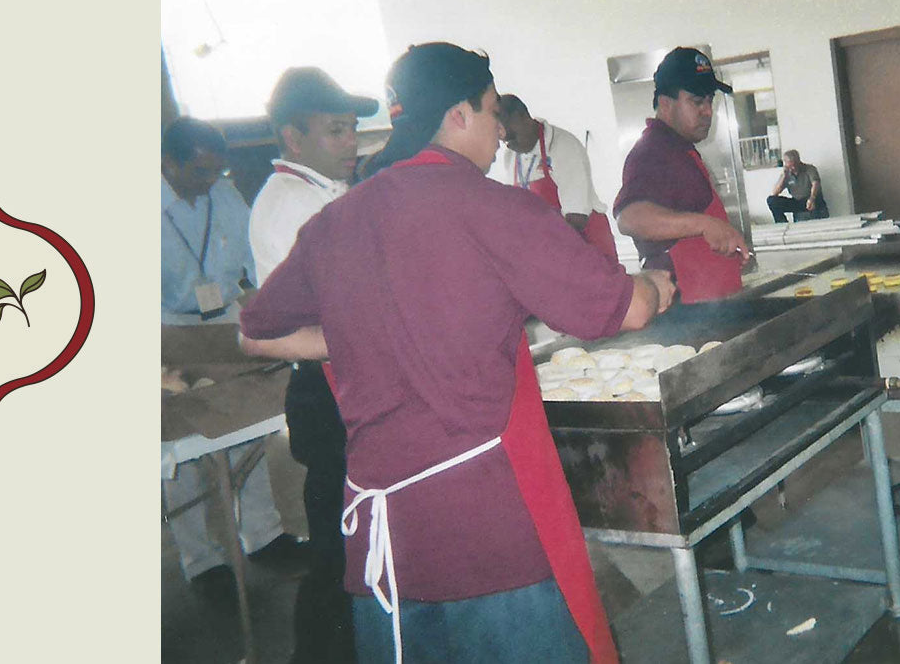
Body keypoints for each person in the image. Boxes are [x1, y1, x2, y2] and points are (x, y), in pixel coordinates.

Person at [239, 42, 677, 664]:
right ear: (457, 114)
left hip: (384, 549)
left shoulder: (336, 221)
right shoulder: (491, 206)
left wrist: (368, 336)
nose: (501, 130)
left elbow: (255, 332)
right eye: (492, 111)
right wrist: (654, 286)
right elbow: (624, 309)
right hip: (488, 537)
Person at [252, 66, 378, 662]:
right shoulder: (293, 203)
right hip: (328, 388)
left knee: (350, 538)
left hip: (345, 381)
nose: (350, 141)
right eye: (335, 130)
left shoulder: (327, 191)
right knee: (339, 545)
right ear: (292, 138)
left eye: (352, 128)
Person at [159, 117, 304, 605]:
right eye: (199, 171)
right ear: (168, 163)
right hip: (168, 330)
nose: (210, 181)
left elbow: (254, 263)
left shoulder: (224, 196)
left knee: (249, 427)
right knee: (184, 450)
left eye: (216, 171)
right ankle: (202, 562)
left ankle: (263, 535)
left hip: (224, 321)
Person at [613, 46, 751, 303]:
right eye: (697, 102)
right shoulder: (653, 152)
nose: (707, 111)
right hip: (687, 314)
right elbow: (630, 218)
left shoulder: (680, 150)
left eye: (709, 100)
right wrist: (705, 224)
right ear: (666, 104)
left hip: (713, 306)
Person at [487, 94, 619, 259]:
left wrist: (542, 251)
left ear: (522, 117)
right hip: (548, 249)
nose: (510, 146)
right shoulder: (511, 156)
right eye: (504, 142)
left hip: (585, 244)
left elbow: (576, 218)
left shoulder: (562, 145)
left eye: (512, 137)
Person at [767, 149, 829, 222]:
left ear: (799, 161)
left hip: (811, 199)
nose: (793, 168)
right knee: (771, 200)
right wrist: (784, 176)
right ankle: (782, 223)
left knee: (817, 200)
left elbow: (815, 183)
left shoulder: (809, 169)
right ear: (786, 164)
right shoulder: (786, 174)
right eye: (790, 166)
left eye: (795, 165)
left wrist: (812, 198)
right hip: (797, 201)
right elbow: (775, 193)